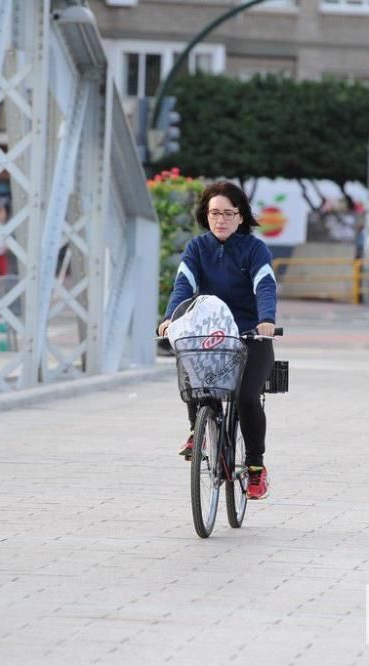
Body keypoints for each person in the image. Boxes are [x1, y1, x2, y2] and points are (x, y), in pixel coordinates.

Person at [157, 181, 277, 500]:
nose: (220, 219)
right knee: (196, 377)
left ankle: (255, 468)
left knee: (247, 397)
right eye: (214, 213)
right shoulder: (197, 249)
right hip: (211, 336)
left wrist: (266, 320)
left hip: (252, 336)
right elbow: (183, 285)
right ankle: (199, 429)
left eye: (228, 213)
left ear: (241, 217)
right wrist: (171, 318)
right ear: (205, 215)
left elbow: (265, 286)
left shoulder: (254, 249)